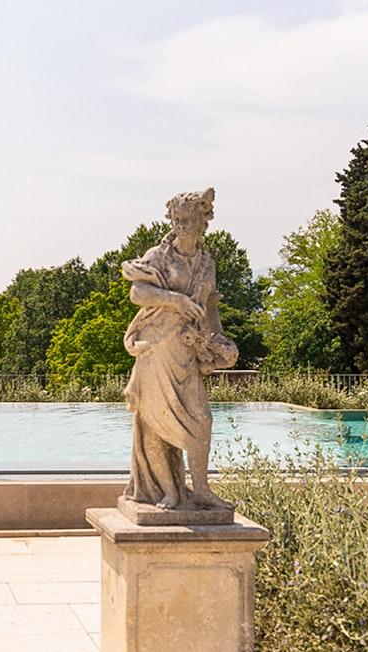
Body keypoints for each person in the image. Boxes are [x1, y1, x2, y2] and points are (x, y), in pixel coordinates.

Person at [121, 188, 238, 510]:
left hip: (187, 352)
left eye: (188, 220)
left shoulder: (206, 263)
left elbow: (209, 307)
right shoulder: (158, 256)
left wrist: (220, 342)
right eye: (176, 219)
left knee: (202, 420)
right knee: (156, 423)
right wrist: (176, 301)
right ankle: (170, 492)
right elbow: (138, 293)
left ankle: (201, 488)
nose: (181, 225)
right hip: (156, 350)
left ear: (203, 222)